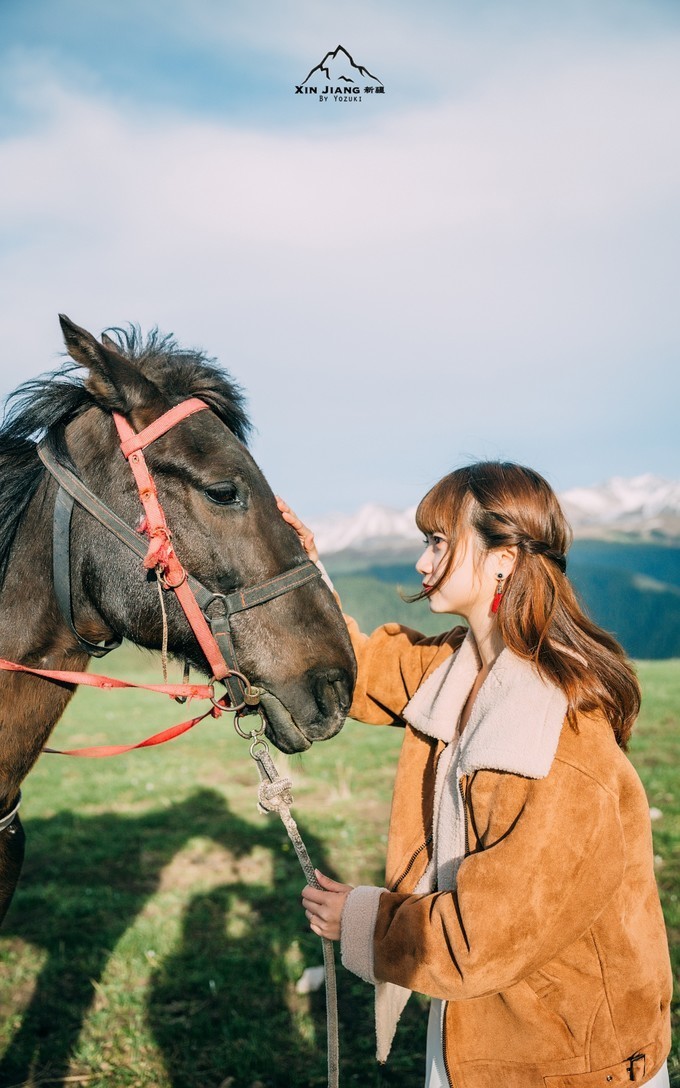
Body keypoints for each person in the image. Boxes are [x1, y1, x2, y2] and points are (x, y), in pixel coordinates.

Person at [277, 461, 673, 1088]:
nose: (420, 561)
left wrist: (362, 919)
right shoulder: (455, 669)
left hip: (567, 1060)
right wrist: (298, 575)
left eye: (439, 541)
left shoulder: (559, 738)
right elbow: (361, 664)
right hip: (476, 1030)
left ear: (503, 559)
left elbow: (479, 941)